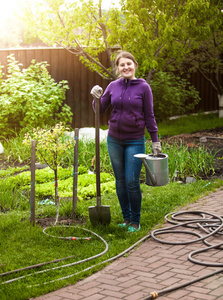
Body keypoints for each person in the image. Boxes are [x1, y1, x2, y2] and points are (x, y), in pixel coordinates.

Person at [90, 51, 161, 232]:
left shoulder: (144, 87)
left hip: (135, 140)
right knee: (120, 181)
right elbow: (100, 109)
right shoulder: (113, 86)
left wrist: (155, 140)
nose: (126, 67)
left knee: (131, 180)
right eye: (122, 65)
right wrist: (96, 97)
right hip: (114, 139)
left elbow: (149, 115)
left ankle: (136, 221)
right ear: (118, 68)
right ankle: (126, 219)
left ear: (135, 65)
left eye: (128, 63)